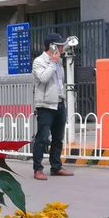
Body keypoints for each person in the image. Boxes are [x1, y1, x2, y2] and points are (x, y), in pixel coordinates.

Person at [31, 33, 74, 180]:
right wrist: (52, 63)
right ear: (52, 46)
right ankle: (38, 169)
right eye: (59, 45)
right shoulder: (39, 61)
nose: (62, 48)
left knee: (58, 138)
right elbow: (43, 78)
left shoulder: (58, 61)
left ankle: (56, 167)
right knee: (42, 138)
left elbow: (59, 82)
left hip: (59, 103)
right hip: (45, 105)